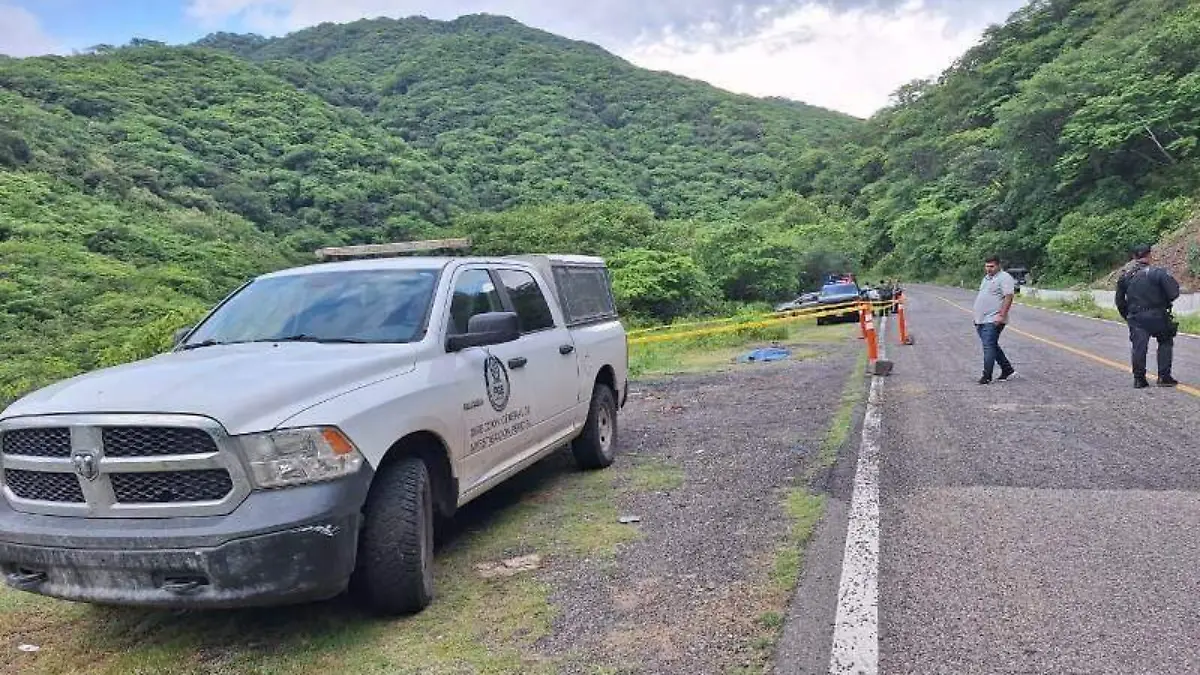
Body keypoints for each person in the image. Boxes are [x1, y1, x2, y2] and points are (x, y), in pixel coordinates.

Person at [1115, 244, 1180, 388]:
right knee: (1165, 340)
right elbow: (1174, 293)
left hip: (1136, 317)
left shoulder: (1125, 276)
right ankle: (1164, 377)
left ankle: (1139, 379)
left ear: (1134, 257)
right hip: (1158, 315)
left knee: (1139, 347)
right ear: (1150, 255)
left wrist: (1128, 316)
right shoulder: (1158, 272)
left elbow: (1119, 301)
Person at [973, 256, 1016, 384]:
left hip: (993, 319)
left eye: (991, 266)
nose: (989, 269)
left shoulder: (1004, 278)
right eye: (987, 266)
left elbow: (1008, 297)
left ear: (998, 266)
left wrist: (1001, 315)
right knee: (992, 346)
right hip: (981, 319)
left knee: (988, 347)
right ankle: (1007, 369)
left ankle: (986, 376)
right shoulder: (986, 279)